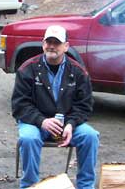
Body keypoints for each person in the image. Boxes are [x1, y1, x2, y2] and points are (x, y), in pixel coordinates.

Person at [12, 25, 99, 189]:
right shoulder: (27, 69)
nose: (51, 46)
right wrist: (42, 121)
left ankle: (86, 186)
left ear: (66, 46)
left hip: (67, 125)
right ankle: (29, 186)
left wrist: (71, 124)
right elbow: (19, 105)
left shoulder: (79, 72)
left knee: (90, 136)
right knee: (28, 138)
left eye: (57, 43)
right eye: (48, 41)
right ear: (42, 43)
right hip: (35, 123)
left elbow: (85, 105)